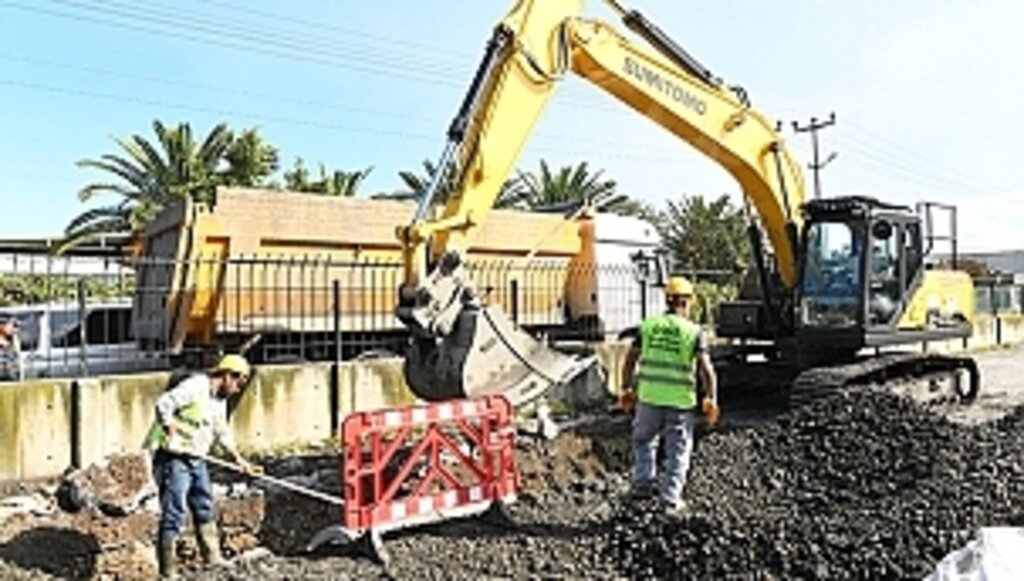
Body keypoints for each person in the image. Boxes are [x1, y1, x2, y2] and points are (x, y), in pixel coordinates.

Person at [144, 354, 262, 578]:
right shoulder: (195, 387)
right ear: (227, 376)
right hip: (173, 458)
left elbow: (222, 432)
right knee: (174, 512)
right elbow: (164, 404)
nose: (238, 389)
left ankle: (212, 557)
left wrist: (240, 460)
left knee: (204, 504)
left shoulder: (219, 400)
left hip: (195, 457)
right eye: (238, 382)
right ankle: (168, 571)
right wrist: (169, 428)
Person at [619, 276, 718, 513]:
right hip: (680, 402)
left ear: (667, 300)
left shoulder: (648, 326)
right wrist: (711, 397)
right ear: (688, 302)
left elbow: (630, 359)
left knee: (643, 440)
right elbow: (706, 369)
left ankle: (642, 485)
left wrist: (626, 388)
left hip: (649, 398)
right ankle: (670, 498)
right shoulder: (694, 332)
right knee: (678, 450)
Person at [0, 317, 22, 381]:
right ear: (2, 325)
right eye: (13, 326)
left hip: (10, 378)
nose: (16, 330)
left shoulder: (13, 340)